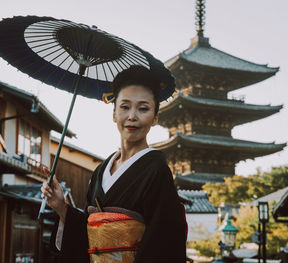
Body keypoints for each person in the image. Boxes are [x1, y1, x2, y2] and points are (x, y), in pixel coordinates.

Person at [41, 65, 187, 263]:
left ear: (155, 118)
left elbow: (164, 242)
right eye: (124, 107)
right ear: (114, 114)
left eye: (143, 108)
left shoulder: (156, 169)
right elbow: (88, 232)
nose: (132, 116)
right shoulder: (101, 170)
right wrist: (61, 207)